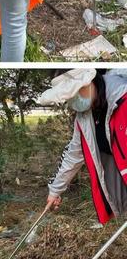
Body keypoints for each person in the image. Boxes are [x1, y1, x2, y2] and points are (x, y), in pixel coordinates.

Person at [39, 69, 127, 225]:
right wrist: (55, 191)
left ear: (91, 80)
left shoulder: (123, 101)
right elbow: (73, 154)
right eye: (69, 98)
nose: (74, 100)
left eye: (77, 92)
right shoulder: (85, 117)